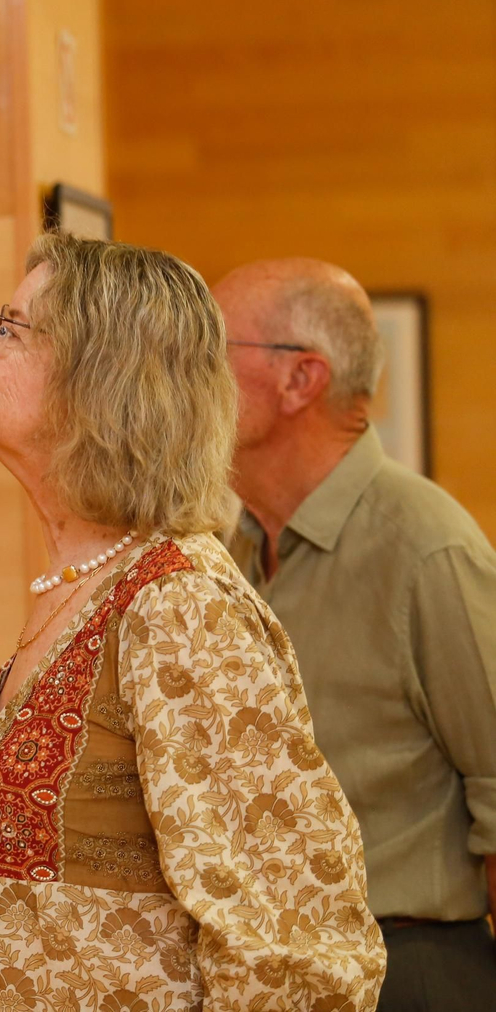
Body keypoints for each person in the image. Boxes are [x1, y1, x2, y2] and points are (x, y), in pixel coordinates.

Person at [0, 234, 384, 1011]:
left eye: (11, 329)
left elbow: (288, 943)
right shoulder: (87, 582)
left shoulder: (179, 604)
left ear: (99, 377)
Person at [215, 258, 496, 1010]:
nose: (187, 374)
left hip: (413, 973)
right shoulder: (231, 546)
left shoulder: (427, 547)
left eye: (212, 347)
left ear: (300, 380)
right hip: (282, 973)